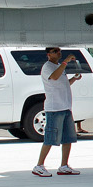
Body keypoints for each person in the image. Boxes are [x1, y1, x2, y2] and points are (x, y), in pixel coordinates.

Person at [32, 47, 81, 177]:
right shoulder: (47, 67)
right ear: (48, 55)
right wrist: (65, 61)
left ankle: (64, 165)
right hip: (54, 108)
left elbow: (63, 83)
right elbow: (54, 77)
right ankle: (39, 165)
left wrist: (74, 79)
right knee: (50, 138)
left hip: (65, 107)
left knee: (67, 138)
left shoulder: (59, 66)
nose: (58, 53)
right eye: (55, 51)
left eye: (59, 51)